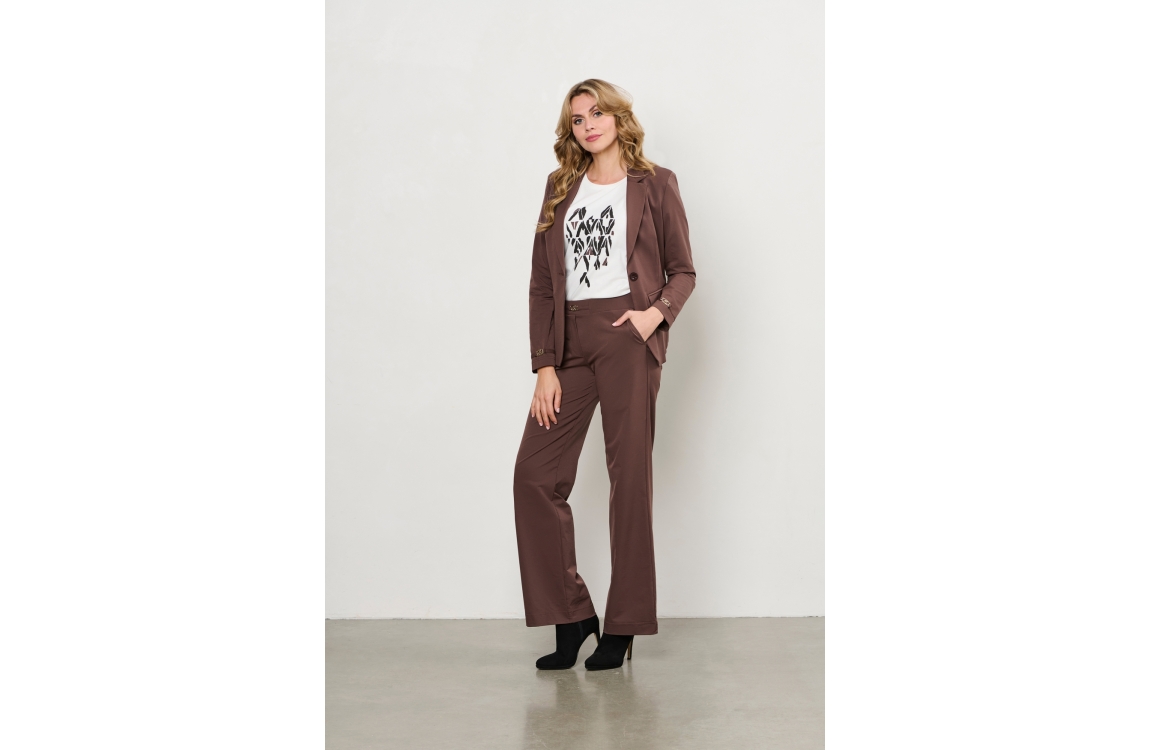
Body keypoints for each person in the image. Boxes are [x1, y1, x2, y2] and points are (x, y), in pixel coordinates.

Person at [512, 79, 697, 670]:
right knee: (534, 477)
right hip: (568, 342)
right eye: (577, 119)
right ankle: (571, 616)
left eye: (597, 113)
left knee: (629, 481)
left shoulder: (655, 183)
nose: (588, 125)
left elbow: (683, 271)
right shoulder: (559, 187)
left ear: (618, 118)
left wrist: (652, 316)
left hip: (627, 337)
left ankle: (625, 624)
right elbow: (543, 283)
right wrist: (545, 363)